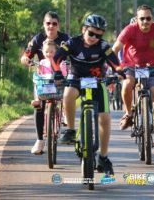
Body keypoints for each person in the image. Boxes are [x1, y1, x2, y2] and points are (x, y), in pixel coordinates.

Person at [51, 14, 122, 175]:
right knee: (68, 93)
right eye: (91, 33)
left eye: (98, 35)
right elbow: (56, 58)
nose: (94, 38)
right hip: (76, 79)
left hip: (96, 81)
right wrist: (57, 72)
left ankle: (103, 157)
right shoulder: (72, 43)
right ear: (84, 29)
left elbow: (115, 63)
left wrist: (119, 72)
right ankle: (69, 130)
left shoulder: (103, 46)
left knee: (105, 118)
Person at [112, 4, 154, 148]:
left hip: (152, 66)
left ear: (152, 18)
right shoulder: (129, 29)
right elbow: (115, 48)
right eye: (142, 19)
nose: (145, 22)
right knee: (128, 84)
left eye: (148, 18)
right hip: (131, 66)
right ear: (137, 19)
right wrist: (116, 67)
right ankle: (129, 114)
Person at [20, 11, 70, 155]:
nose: (51, 26)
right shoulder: (37, 39)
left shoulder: (65, 39)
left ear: (58, 25)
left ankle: (65, 114)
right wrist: (25, 59)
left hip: (61, 77)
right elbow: (26, 54)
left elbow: (75, 52)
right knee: (39, 105)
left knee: (69, 93)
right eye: (48, 23)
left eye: (54, 24)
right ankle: (40, 140)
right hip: (44, 77)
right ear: (44, 24)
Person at [31, 39, 67, 107]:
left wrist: (62, 68)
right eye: (46, 52)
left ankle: (65, 107)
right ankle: (37, 99)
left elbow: (64, 74)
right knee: (36, 80)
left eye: (51, 52)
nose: (49, 54)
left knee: (64, 87)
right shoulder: (42, 62)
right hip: (46, 86)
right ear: (43, 52)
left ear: (56, 52)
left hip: (57, 86)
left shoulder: (59, 62)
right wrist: (39, 69)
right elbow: (40, 76)